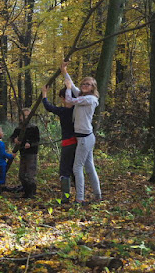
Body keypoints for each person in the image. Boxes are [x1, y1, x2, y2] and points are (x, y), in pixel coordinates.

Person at [61, 61, 102, 204]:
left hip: (85, 138)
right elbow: (71, 85)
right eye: (84, 83)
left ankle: (80, 198)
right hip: (84, 137)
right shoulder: (83, 95)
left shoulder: (89, 99)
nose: (85, 86)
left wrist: (67, 88)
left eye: (88, 84)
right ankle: (98, 195)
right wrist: (64, 70)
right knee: (89, 167)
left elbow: (69, 99)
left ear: (93, 87)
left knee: (77, 167)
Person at [41, 85, 76, 203]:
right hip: (79, 143)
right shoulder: (78, 110)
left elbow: (48, 107)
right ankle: (79, 194)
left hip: (68, 143)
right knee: (75, 169)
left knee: (65, 170)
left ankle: (66, 197)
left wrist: (44, 93)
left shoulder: (64, 111)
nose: (62, 101)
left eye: (63, 98)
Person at [10, 108, 40, 198]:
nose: (26, 118)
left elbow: (37, 140)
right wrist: (15, 139)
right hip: (23, 153)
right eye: (24, 116)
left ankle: (31, 192)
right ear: (20, 117)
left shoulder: (34, 128)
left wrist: (30, 143)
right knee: (22, 174)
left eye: (28, 116)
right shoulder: (19, 128)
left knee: (30, 173)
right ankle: (26, 191)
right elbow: (12, 137)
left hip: (31, 153)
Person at [0, 126, 15, 199]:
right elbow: (2, 154)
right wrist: (11, 156)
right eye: (1, 131)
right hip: (0, 165)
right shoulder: (0, 144)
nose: (3, 133)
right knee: (1, 179)